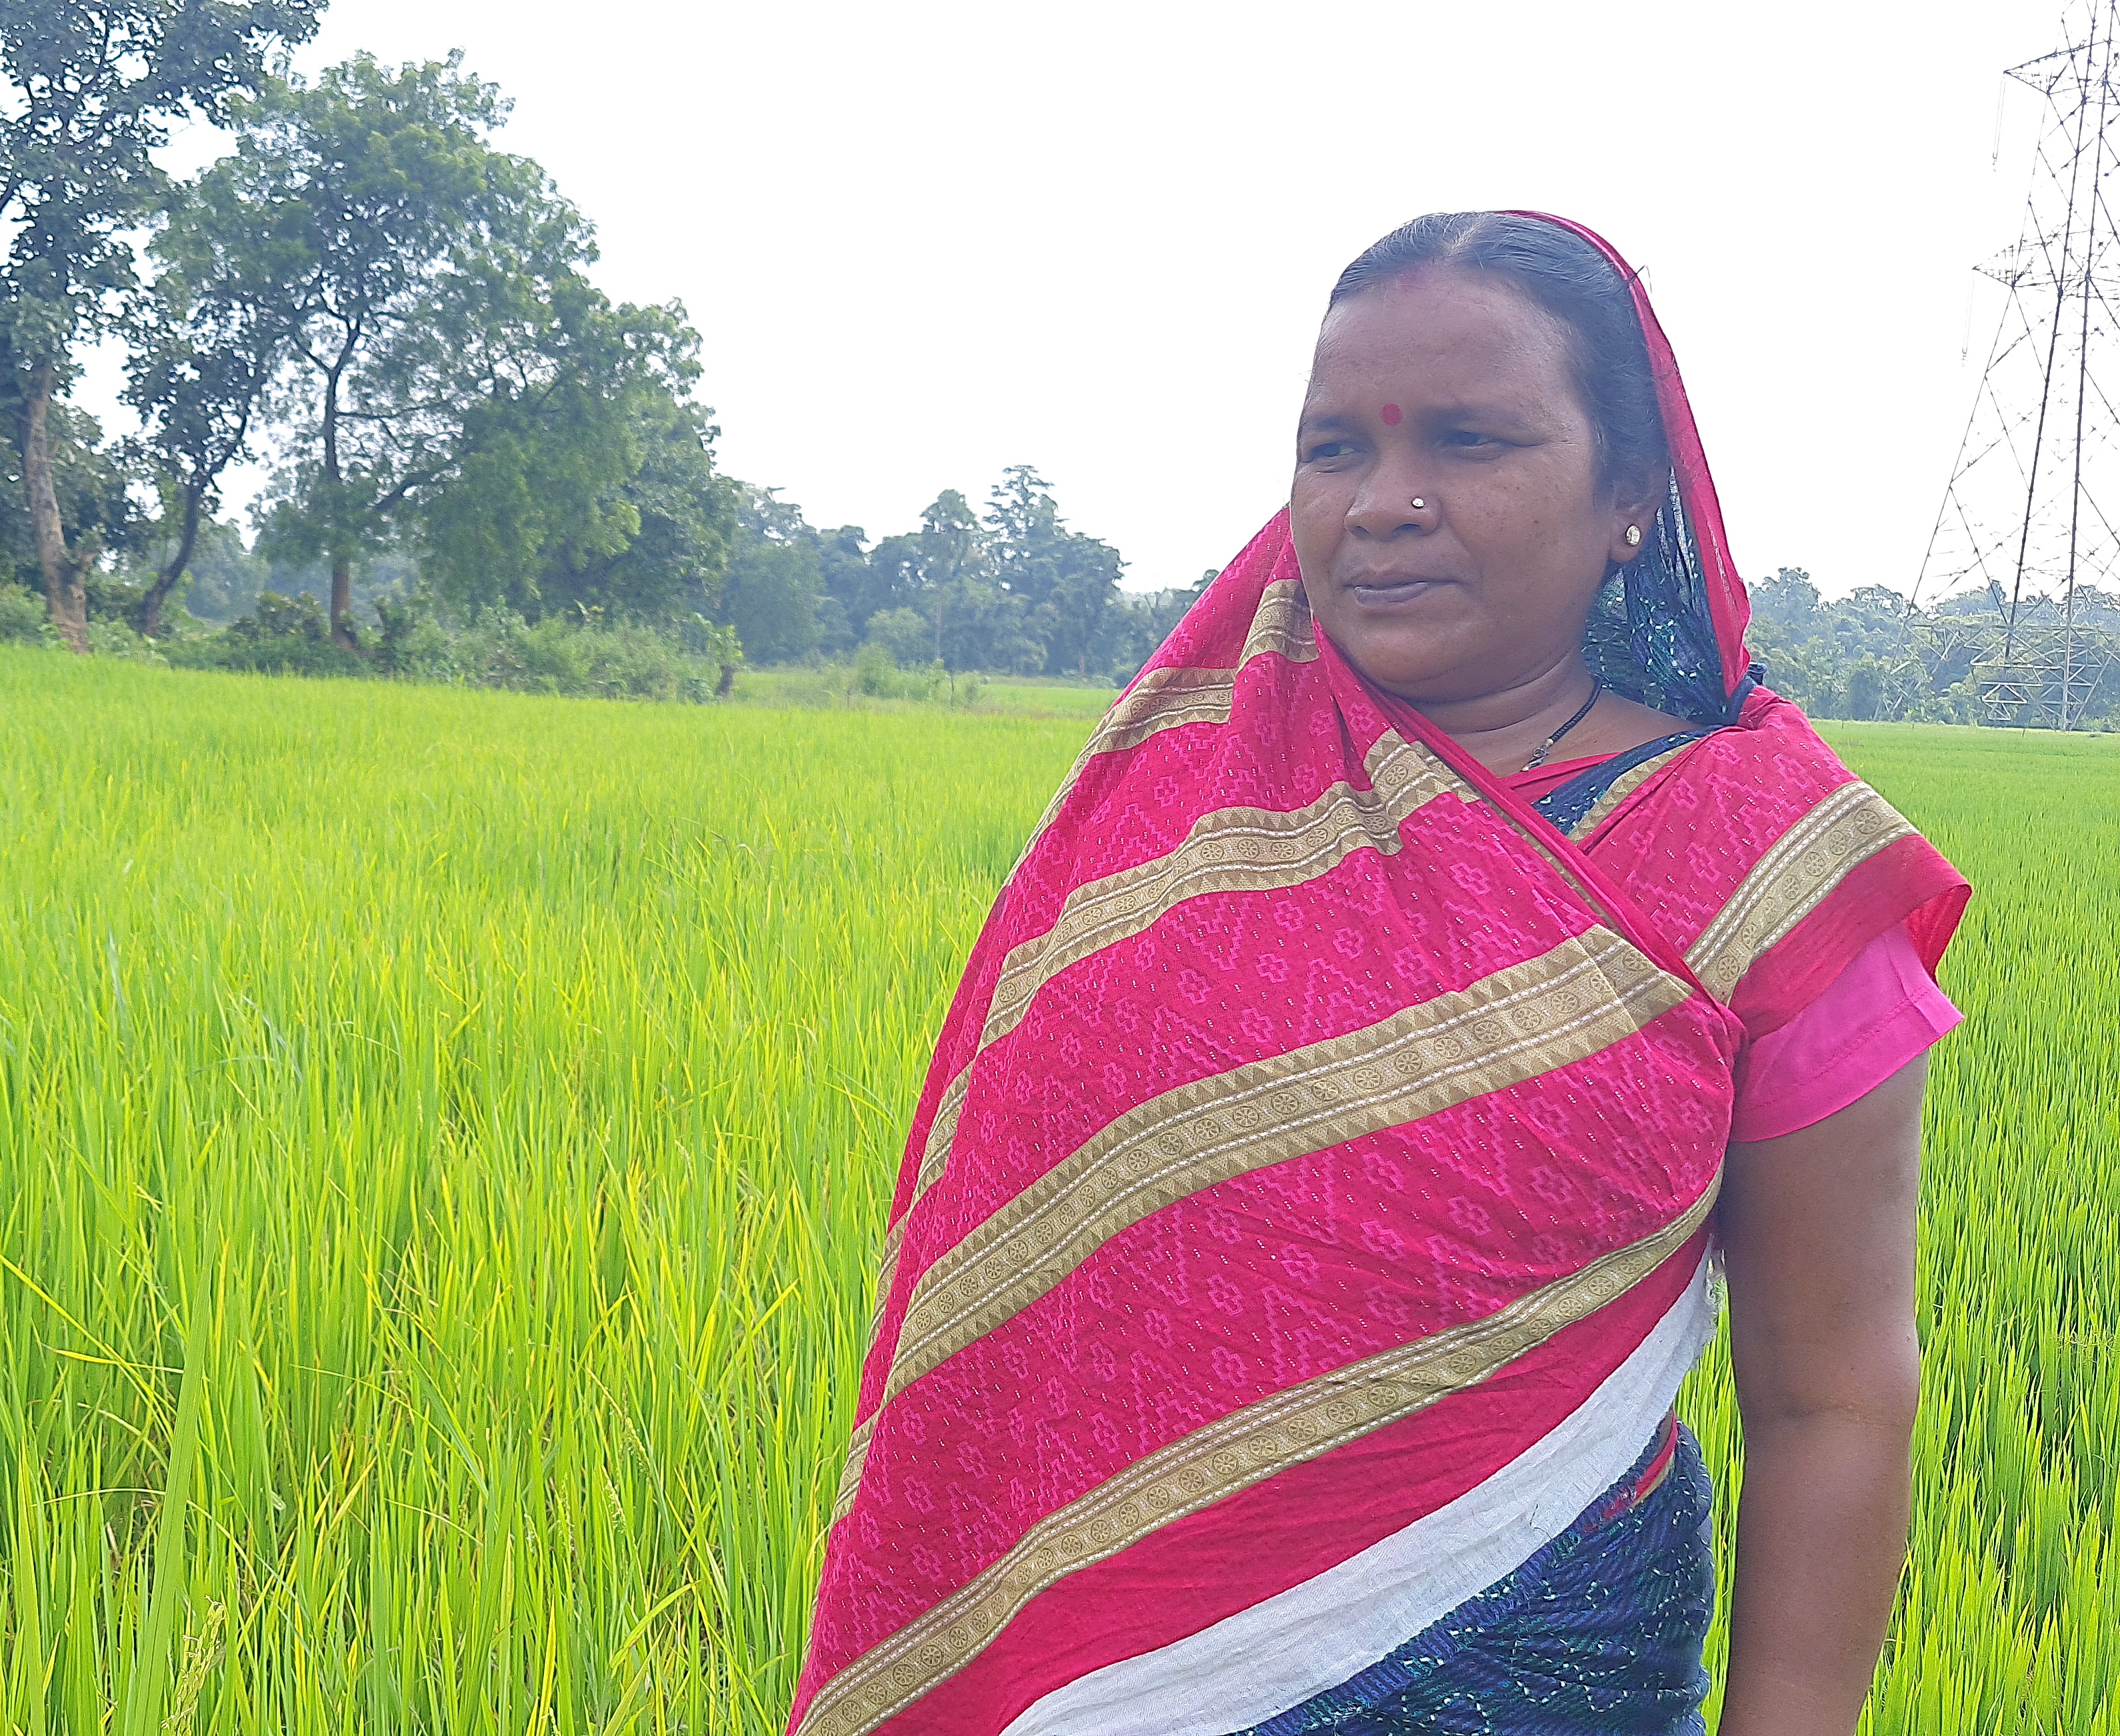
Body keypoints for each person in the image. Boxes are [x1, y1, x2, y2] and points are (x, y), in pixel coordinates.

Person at [790, 211, 1969, 1736]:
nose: (1381, 504)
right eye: (1332, 447)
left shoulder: (1768, 870)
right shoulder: (1175, 824)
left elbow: (1831, 1395)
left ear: (1629, 496)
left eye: (1468, 441)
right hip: (1102, 1685)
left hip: (1541, 1674)